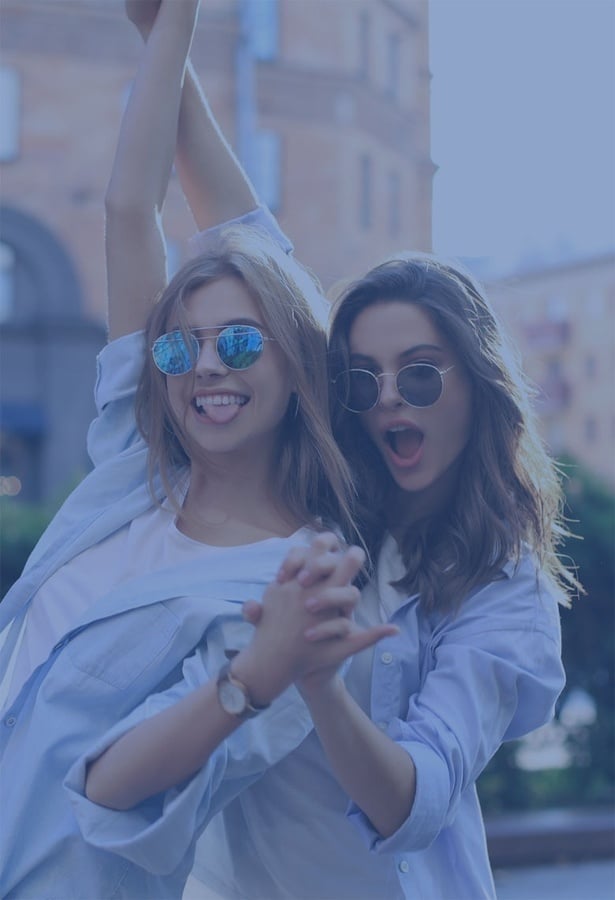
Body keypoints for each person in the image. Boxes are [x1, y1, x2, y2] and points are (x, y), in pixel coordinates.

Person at [58, 2, 573, 899]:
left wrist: (316, 680)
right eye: (361, 377)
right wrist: (162, 34)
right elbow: (233, 230)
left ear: (477, 391)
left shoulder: (504, 591)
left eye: (419, 377)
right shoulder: (312, 489)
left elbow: (414, 799)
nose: (383, 401)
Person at [0, 2, 394, 897]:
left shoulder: (299, 582)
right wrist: (168, 25)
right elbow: (127, 205)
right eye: (180, 347)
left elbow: (111, 785)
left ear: (297, 366)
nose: (205, 366)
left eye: (242, 344)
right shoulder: (133, 475)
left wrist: (254, 678)